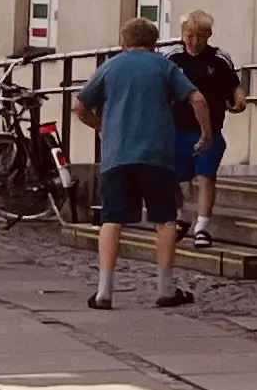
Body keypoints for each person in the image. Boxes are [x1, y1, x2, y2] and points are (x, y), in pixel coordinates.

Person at [76, 16, 198, 312]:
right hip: (157, 155)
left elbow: (79, 106)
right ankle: (166, 288)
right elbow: (197, 98)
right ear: (154, 42)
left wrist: (101, 126)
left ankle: (104, 291)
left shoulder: (110, 66)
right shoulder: (165, 66)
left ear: (123, 41)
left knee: (111, 219)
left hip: (117, 156)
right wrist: (205, 134)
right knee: (165, 219)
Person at [167, 7, 241, 245]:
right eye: (190, 35)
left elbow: (234, 85)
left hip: (210, 129)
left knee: (206, 176)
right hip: (177, 127)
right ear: (182, 33)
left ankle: (202, 226)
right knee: (172, 177)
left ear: (209, 34)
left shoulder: (219, 58)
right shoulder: (172, 57)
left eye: (200, 36)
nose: (194, 41)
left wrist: (240, 99)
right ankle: (178, 217)